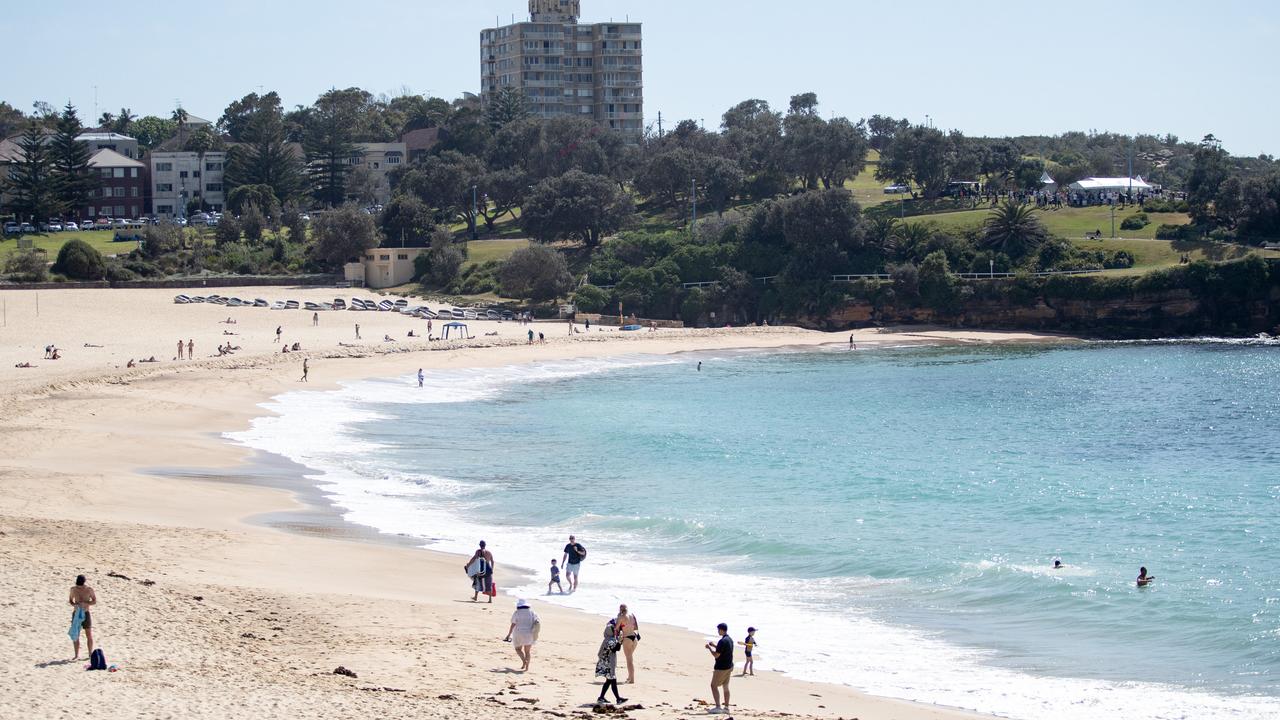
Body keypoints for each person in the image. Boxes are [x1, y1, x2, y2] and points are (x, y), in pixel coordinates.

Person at [595, 619, 627, 705]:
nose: (615, 631)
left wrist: (619, 641)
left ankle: (601, 697)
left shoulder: (606, 639)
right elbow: (616, 649)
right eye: (614, 630)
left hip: (605, 663)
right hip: (609, 664)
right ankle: (618, 699)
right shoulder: (611, 640)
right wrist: (620, 641)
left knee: (608, 681)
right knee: (613, 680)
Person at [503, 599, 540, 672]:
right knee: (527, 652)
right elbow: (537, 622)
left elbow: (513, 624)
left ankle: (524, 661)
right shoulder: (532, 612)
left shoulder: (517, 613)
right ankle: (527, 668)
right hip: (529, 633)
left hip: (518, 633)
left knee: (518, 649)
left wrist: (509, 634)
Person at [706, 622, 734, 713]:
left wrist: (709, 648)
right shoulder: (729, 639)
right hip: (729, 666)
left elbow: (717, 655)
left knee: (713, 686)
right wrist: (714, 645)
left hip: (721, 667)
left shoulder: (722, 641)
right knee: (725, 686)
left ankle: (718, 707)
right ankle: (726, 708)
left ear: (722, 630)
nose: (718, 631)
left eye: (718, 630)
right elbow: (723, 650)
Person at [68, 574, 97, 660]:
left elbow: (94, 601)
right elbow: (70, 600)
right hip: (76, 614)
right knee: (76, 634)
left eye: (81, 586)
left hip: (86, 613)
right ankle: (76, 655)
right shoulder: (73, 589)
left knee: (89, 634)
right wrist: (74, 605)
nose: (79, 587)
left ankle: (90, 653)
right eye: (78, 586)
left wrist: (87, 603)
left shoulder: (89, 590)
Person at [616, 603, 640, 683]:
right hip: (634, 638)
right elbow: (636, 627)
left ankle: (632, 679)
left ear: (620, 609)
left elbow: (616, 628)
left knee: (629, 660)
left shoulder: (621, 617)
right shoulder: (632, 615)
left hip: (627, 639)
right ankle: (629, 677)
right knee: (630, 658)